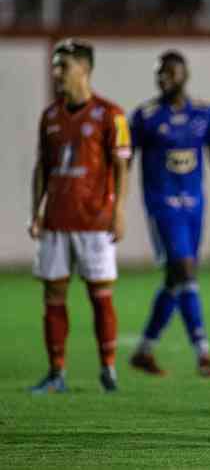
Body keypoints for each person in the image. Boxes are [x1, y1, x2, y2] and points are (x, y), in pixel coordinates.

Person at [128, 50, 210, 377]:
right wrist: (111, 200)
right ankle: (203, 352)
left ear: (184, 75)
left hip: (194, 206)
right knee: (184, 270)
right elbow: (123, 161)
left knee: (176, 279)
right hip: (162, 205)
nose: (163, 78)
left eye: (169, 73)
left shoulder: (204, 114)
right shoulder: (145, 116)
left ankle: (144, 350)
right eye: (159, 74)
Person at [29, 39, 131, 393]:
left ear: (84, 69)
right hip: (57, 218)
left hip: (94, 220)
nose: (57, 73)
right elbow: (42, 167)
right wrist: (37, 211)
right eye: (56, 66)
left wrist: (118, 211)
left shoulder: (111, 114)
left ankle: (108, 370)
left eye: (64, 66)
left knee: (100, 296)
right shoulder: (50, 115)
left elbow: (121, 166)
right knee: (53, 296)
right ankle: (56, 373)